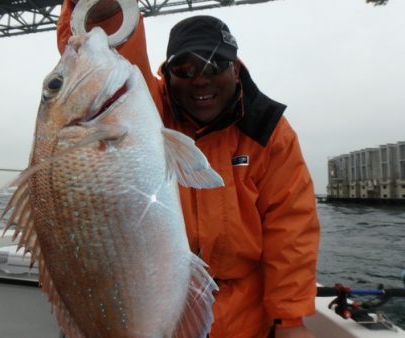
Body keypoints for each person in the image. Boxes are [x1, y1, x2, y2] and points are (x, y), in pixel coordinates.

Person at [57, 2, 320, 337]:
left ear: (236, 70)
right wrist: (98, 11)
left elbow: (290, 228)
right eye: (185, 68)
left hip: (244, 320)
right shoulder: (142, 111)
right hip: (155, 305)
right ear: (166, 76)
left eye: (215, 65)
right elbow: (107, 45)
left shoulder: (268, 130)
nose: (201, 79)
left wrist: (290, 319)